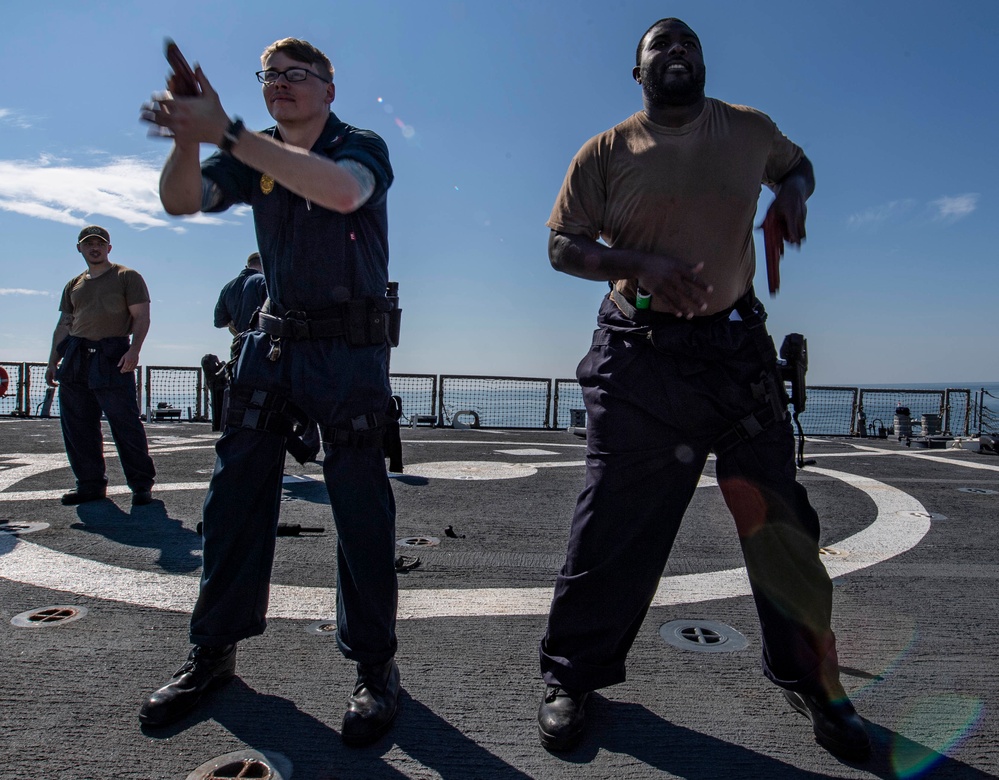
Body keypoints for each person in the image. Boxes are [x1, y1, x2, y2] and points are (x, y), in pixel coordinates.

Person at [536, 18, 870, 760]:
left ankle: (812, 682)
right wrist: (640, 263)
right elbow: (562, 246)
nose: (677, 49)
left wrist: (792, 196)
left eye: (688, 41)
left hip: (735, 353)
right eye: (661, 44)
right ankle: (571, 676)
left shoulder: (749, 129)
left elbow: (798, 164)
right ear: (638, 72)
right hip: (638, 356)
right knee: (611, 527)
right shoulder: (604, 151)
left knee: (782, 527)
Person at [138, 37, 400, 746]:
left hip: (348, 353)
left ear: (328, 90)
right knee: (231, 504)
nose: (279, 84)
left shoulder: (359, 144)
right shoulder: (248, 153)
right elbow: (179, 199)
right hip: (273, 343)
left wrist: (225, 130)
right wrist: (192, 142)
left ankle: (375, 669)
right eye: (269, 76)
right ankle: (212, 652)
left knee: (360, 512)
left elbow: (343, 191)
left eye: (296, 75)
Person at [45, 226, 156, 507]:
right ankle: (90, 484)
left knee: (125, 423)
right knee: (77, 426)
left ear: (109, 248)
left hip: (112, 354)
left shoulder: (127, 277)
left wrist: (134, 351)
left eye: (99, 243)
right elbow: (64, 324)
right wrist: (52, 361)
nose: (94, 248)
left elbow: (141, 317)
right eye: (88, 244)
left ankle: (141, 485)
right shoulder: (74, 284)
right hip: (76, 356)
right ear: (79, 248)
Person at [211, 250, 321, 460]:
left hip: (240, 353)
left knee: (245, 405)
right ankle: (306, 445)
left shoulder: (229, 287)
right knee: (289, 398)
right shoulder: (266, 282)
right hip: (268, 350)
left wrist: (239, 332)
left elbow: (220, 321)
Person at [214, 251, 267, 336]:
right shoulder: (265, 282)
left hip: (241, 346)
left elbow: (219, 322)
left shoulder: (227, 288)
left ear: (246, 267)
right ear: (266, 265)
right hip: (264, 344)